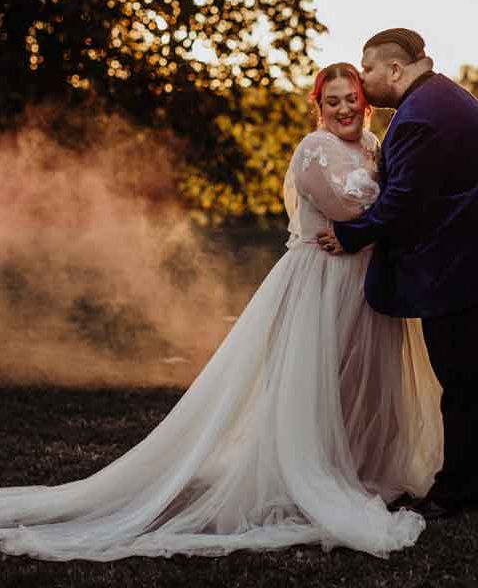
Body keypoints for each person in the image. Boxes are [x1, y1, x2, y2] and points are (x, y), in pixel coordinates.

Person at [0, 63, 442, 562]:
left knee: (362, 379)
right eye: (332, 100)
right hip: (320, 283)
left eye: (352, 99)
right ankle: (310, 472)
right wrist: (401, 204)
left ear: (365, 102)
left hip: (365, 282)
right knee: (315, 380)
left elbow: (381, 213)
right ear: (318, 106)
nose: (344, 109)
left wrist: (395, 208)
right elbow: (349, 211)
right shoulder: (313, 149)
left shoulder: (372, 146)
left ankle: (362, 469)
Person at [319, 29, 478, 520]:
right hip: (464, 261)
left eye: (366, 70)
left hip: (453, 269)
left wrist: (350, 236)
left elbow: (404, 201)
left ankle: (457, 492)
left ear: (394, 69)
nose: (363, 81)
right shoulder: (449, 96)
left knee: (463, 383)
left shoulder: (418, 117)